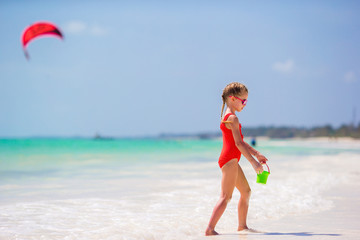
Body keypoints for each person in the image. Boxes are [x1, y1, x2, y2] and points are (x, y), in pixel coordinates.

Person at [205, 82, 269, 236]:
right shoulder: (232, 118)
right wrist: (253, 163)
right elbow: (238, 144)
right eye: (244, 101)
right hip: (229, 160)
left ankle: (242, 226)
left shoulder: (230, 117)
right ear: (233, 99)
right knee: (226, 196)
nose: (245, 104)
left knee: (246, 192)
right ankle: (210, 229)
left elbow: (240, 141)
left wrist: (256, 153)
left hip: (232, 159)